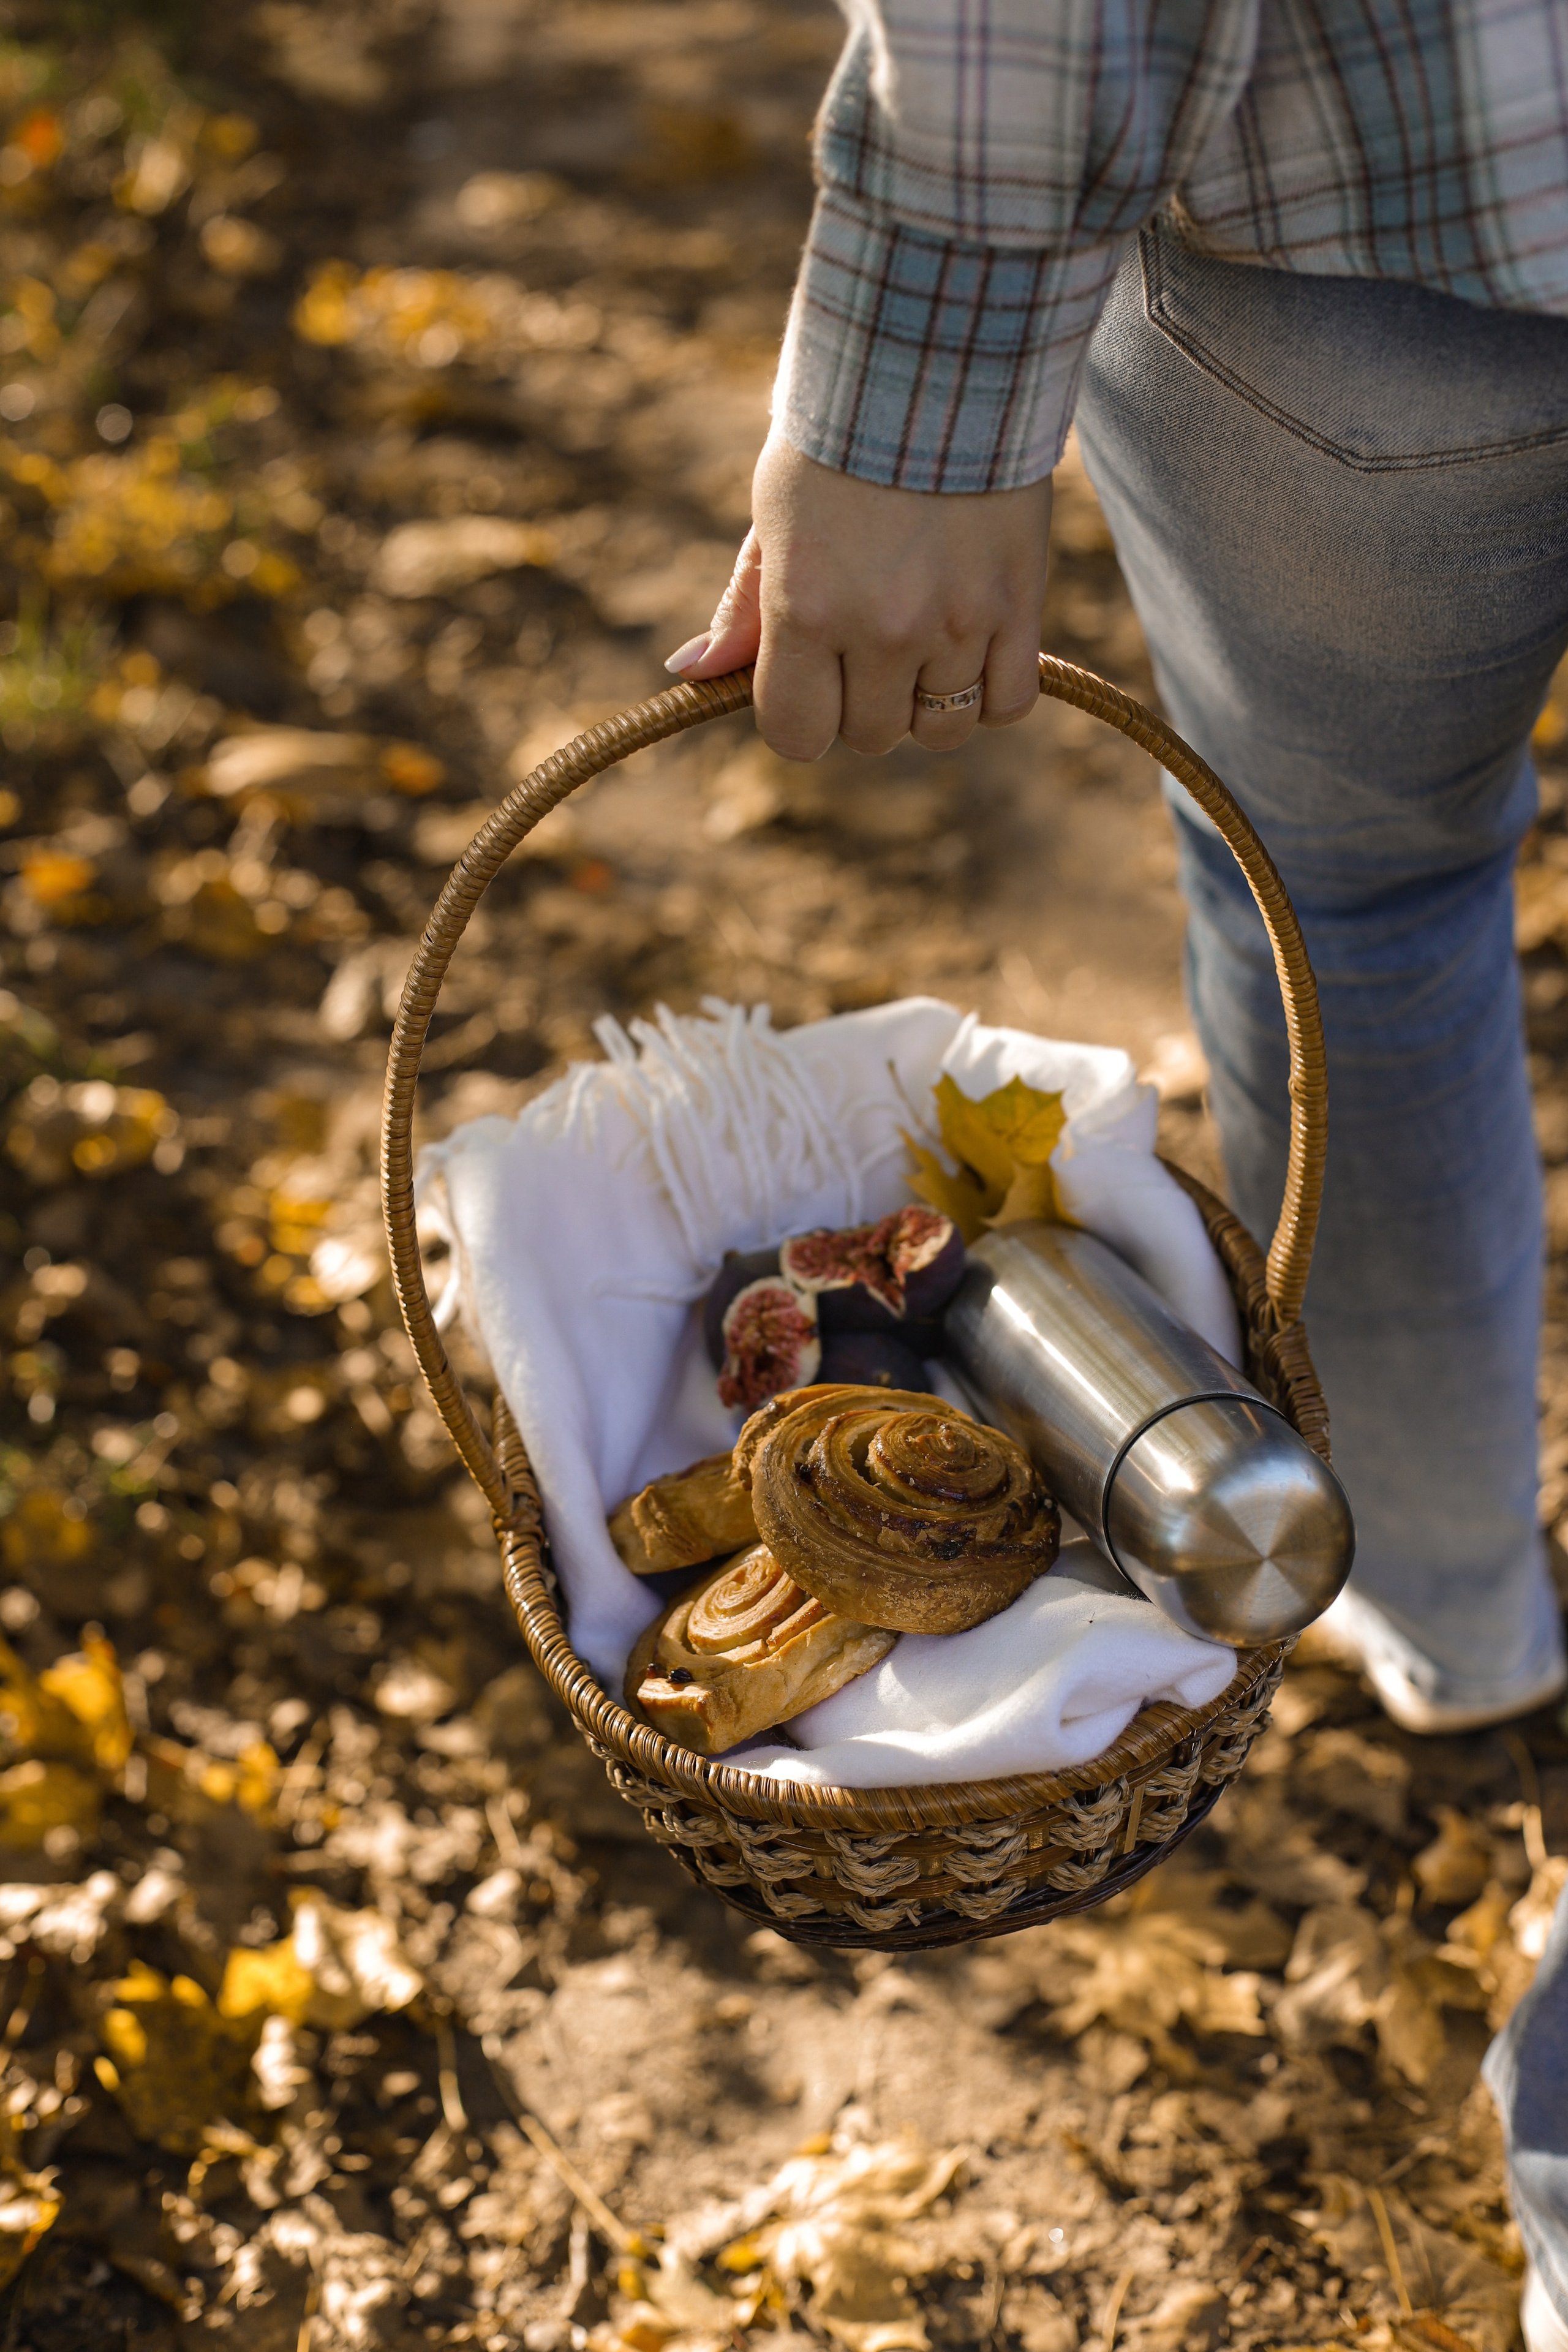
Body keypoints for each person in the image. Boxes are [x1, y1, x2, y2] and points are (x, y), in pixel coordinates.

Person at [662, 4, 1568, 2342]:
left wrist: (911, 397)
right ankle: (1438, 1600)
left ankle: (1450, 1602)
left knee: (1353, 893)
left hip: (1394, 231)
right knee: (1343, 897)